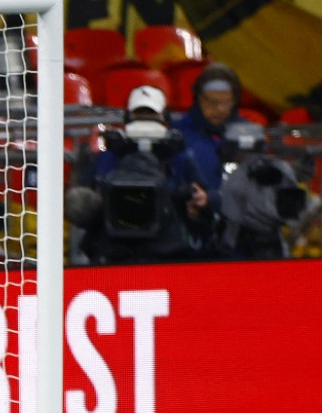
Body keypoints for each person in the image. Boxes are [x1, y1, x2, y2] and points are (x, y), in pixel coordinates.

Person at [70, 85, 214, 265]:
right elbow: (85, 203)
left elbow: (207, 197)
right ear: (128, 118)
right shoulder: (106, 158)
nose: (146, 123)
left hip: (166, 250)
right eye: (140, 115)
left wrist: (201, 201)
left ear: (164, 118)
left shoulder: (180, 158)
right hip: (114, 248)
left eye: (152, 116)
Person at [215, 120, 307, 260]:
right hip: (239, 241)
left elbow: (292, 208)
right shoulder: (235, 172)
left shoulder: (276, 167)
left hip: (261, 242)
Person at [172, 63, 244, 205]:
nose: (219, 109)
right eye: (211, 102)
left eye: (226, 102)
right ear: (198, 98)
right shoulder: (177, 135)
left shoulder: (248, 135)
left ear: (235, 101)